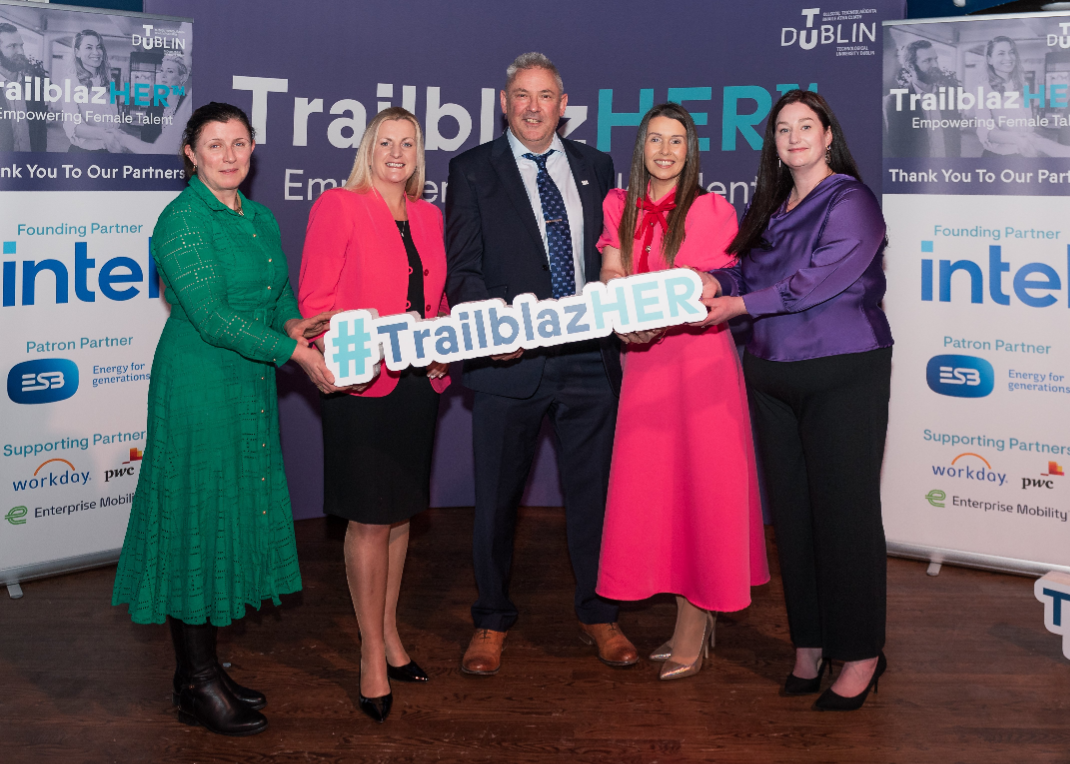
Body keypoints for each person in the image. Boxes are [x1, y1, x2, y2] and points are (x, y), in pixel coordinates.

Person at [112, 102, 341, 736]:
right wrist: (293, 351)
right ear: (191, 152)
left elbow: (278, 294)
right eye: (216, 145)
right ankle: (195, 683)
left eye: (240, 144)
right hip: (199, 384)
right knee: (196, 520)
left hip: (248, 383)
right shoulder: (181, 220)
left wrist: (295, 324)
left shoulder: (261, 217)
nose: (230, 156)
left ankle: (205, 669)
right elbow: (211, 317)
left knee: (227, 516)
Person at [699, 90, 893, 711]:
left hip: (842, 374)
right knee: (797, 520)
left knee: (846, 518)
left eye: (805, 126)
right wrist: (714, 281)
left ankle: (861, 652)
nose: (794, 137)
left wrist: (740, 303)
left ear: (828, 134)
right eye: (782, 129)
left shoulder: (851, 200)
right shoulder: (771, 204)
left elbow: (821, 277)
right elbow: (749, 274)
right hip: (772, 377)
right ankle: (810, 643)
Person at [445, 52, 638, 675]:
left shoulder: (595, 165)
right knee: (497, 502)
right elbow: (463, 269)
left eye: (546, 95)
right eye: (521, 95)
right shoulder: (471, 169)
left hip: (589, 360)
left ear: (563, 105)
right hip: (510, 362)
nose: (533, 107)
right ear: (504, 103)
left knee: (595, 498)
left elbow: (611, 254)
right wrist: (491, 328)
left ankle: (600, 614)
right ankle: (491, 620)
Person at [594, 103, 770, 681]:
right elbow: (612, 278)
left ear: (690, 151)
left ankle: (696, 624)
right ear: (640, 147)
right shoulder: (618, 206)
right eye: (655, 140)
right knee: (658, 501)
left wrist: (657, 319)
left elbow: (706, 291)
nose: (665, 151)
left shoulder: (711, 209)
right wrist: (623, 319)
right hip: (644, 369)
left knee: (701, 497)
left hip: (700, 368)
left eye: (677, 141)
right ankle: (685, 622)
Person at [298, 107, 450, 724]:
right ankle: (369, 654)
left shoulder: (431, 214)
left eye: (407, 143)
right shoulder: (339, 204)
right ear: (368, 148)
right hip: (364, 389)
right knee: (367, 520)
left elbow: (437, 301)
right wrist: (364, 344)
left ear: (419, 152)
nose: (396, 152)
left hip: (417, 387)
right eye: (385, 142)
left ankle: (389, 634)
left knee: (399, 514)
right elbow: (315, 305)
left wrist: (442, 354)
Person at [975, 35, 1070, 158]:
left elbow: (1027, 125)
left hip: (1023, 154)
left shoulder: (1022, 85)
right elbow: (985, 132)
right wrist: (1016, 138)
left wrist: (1033, 140)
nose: (1008, 58)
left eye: (1011, 52)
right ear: (989, 60)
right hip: (998, 157)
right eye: (1001, 53)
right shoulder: (983, 88)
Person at [883, 39, 961, 158]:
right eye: (927, 61)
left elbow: (954, 138)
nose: (935, 65)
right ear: (910, 66)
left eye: (935, 59)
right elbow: (896, 147)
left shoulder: (948, 95)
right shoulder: (895, 100)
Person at [115, 51, 191, 155]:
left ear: (182, 77)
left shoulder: (188, 106)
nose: (163, 75)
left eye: (170, 71)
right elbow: (146, 135)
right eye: (162, 71)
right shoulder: (155, 102)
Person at [60, 29, 120, 152]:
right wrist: (104, 134)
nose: (96, 52)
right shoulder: (70, 82)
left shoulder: (110, 82)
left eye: (99, 47)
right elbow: (73, 126)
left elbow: (114, 120)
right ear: (77, 52)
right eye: (88, 47)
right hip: (83, 154)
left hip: (109, 151)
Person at [0, 22, 31, 152]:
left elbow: (39, 131)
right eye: (12, 46)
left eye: (21, 45)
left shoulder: (32, 85)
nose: (21, 51)